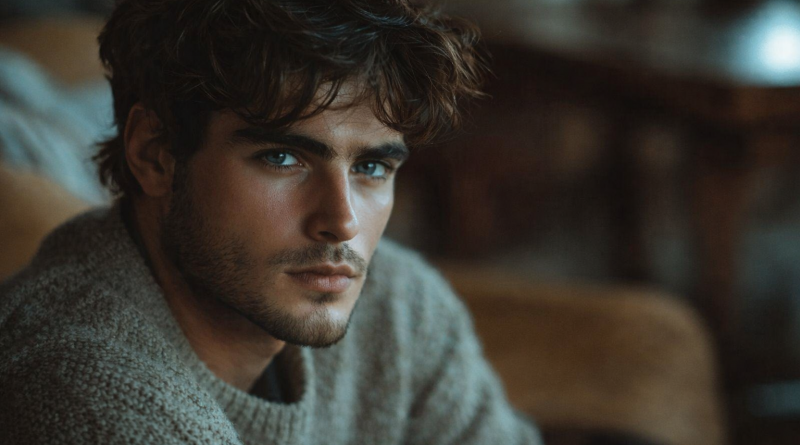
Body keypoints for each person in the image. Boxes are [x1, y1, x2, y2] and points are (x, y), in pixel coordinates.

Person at [0, 0, 542, 443]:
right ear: (156, 153)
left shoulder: (401, 310)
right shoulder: (86, 391)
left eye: (372, 166)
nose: (342, 222)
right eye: (284, 158)